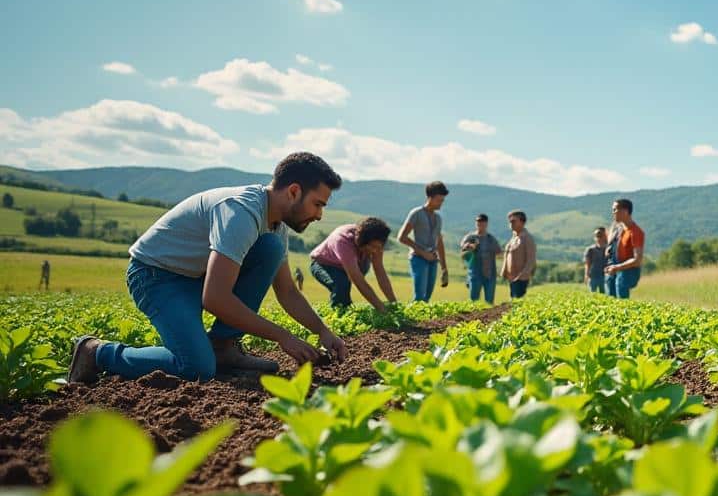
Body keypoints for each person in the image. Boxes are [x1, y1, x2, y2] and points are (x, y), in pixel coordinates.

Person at [66, 152, 350, 384]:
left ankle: (223, 347)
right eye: (317, 204)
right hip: (157, 276)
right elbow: (215, 298)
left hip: (195, 276)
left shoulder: (275, 225)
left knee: (270, 250)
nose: (319, 214)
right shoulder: (241, 212)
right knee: (196, 368)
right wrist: (283, 336)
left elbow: (287, 290)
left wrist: (322, 331)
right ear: (293, 191)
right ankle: (97, 353)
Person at [309, 217, 398, 311]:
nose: (374, 250)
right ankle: (340, 315)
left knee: (346, 283)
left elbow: (380, 272)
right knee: (341, 284)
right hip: (324, 264)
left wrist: (394, 303)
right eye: (372, 246)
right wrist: (381, 308)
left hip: (351, 264)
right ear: (360, 240)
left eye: (378, 247)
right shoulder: (343, 241)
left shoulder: (376, 242)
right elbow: (357, 280)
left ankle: (345, 306)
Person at [398, 181, 448, 302]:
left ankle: (424, 321)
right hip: (418, 258)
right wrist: (422, 252)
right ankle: (414, 320)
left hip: (433, 260)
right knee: (419, 297)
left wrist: (444, 267)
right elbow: (402, 237)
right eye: (439, 200)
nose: (441, 203)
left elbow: (439, 242)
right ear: (429, 197)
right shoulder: (416, 213)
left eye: (442, 200)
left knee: (427, 297)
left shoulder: (438, 218)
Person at [603, 199, 644, 299]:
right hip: (616, 268)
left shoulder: (635, 232)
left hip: (627, 271)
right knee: (610, 298)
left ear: (625, 211)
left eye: (615, 210)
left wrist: (617, 267)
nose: (613, 213)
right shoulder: (619, 230)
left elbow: (637, 260)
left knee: (621, 299)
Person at [460, 213, 503, 304]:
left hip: (490, 274)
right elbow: (463, 247)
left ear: (486, 224)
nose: (480, 224)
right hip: (474, 273)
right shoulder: (470, 237)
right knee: (473, 301)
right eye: (478, 222)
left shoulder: (491, 239)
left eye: (482, 222)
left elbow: (499, 253)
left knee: (489, 302)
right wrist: (470, 246)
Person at [501, 209, 536, 299]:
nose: (511, 223)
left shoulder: (527, 238)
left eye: (513, 221)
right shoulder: (513, 238)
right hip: (512, 278)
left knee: (517, 302)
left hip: (520, 279)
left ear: (522, 222)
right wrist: (504, 272)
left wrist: (522, 276)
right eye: (510, 221)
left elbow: (531, 260)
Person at [583, 228, 608, 294]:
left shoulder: (608, 249)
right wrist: (586, 275)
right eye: (597, 236)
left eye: (600, 235)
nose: (599, 237)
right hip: (593, 276)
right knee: (593, 294)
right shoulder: (590, 249)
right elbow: (587, 264)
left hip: (605, 276)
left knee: (605, 296)